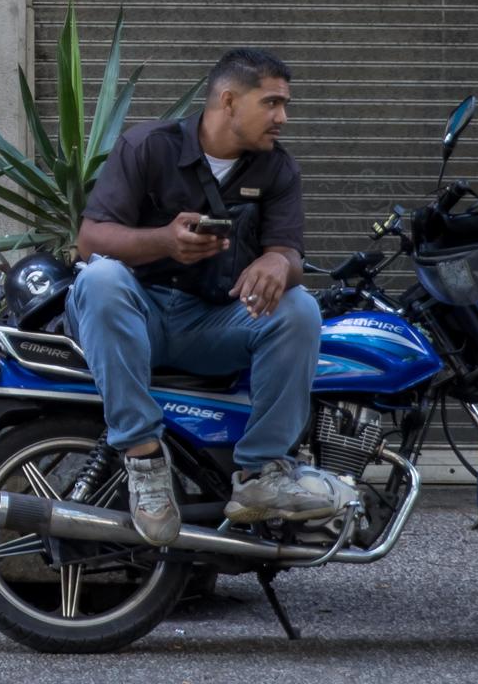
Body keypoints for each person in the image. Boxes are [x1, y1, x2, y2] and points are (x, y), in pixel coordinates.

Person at [69, 47, 354, 544]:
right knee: (100, 278)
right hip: (140, 314)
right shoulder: (148, 147)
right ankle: (144, 461)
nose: (281, 118)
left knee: (299, 309)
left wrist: (278, 262)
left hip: (215, 324)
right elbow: (90, 240)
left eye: (284, 105)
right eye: (271, 104)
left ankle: (261, 474)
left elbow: (288, 253)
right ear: (228, 101)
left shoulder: (278, 170)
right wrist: (162, 241)